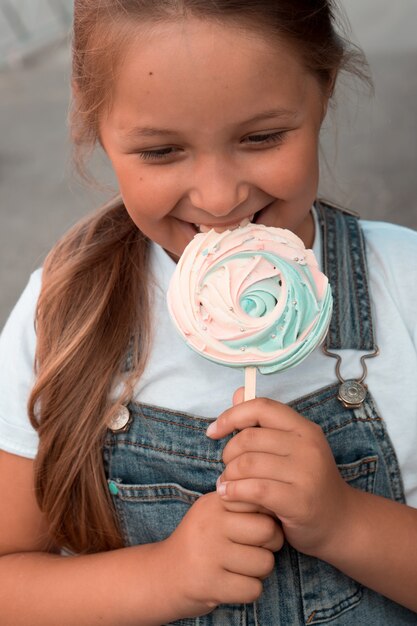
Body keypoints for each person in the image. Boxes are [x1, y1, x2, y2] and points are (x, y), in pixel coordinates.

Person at [1, 1, 417, 624]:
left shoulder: (403, 283)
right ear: (96, 125)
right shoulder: (62, 314)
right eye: (163, 151)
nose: (220, 197)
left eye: (261, 137)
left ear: (323, 90)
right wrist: (165, 577)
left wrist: (345, 523)